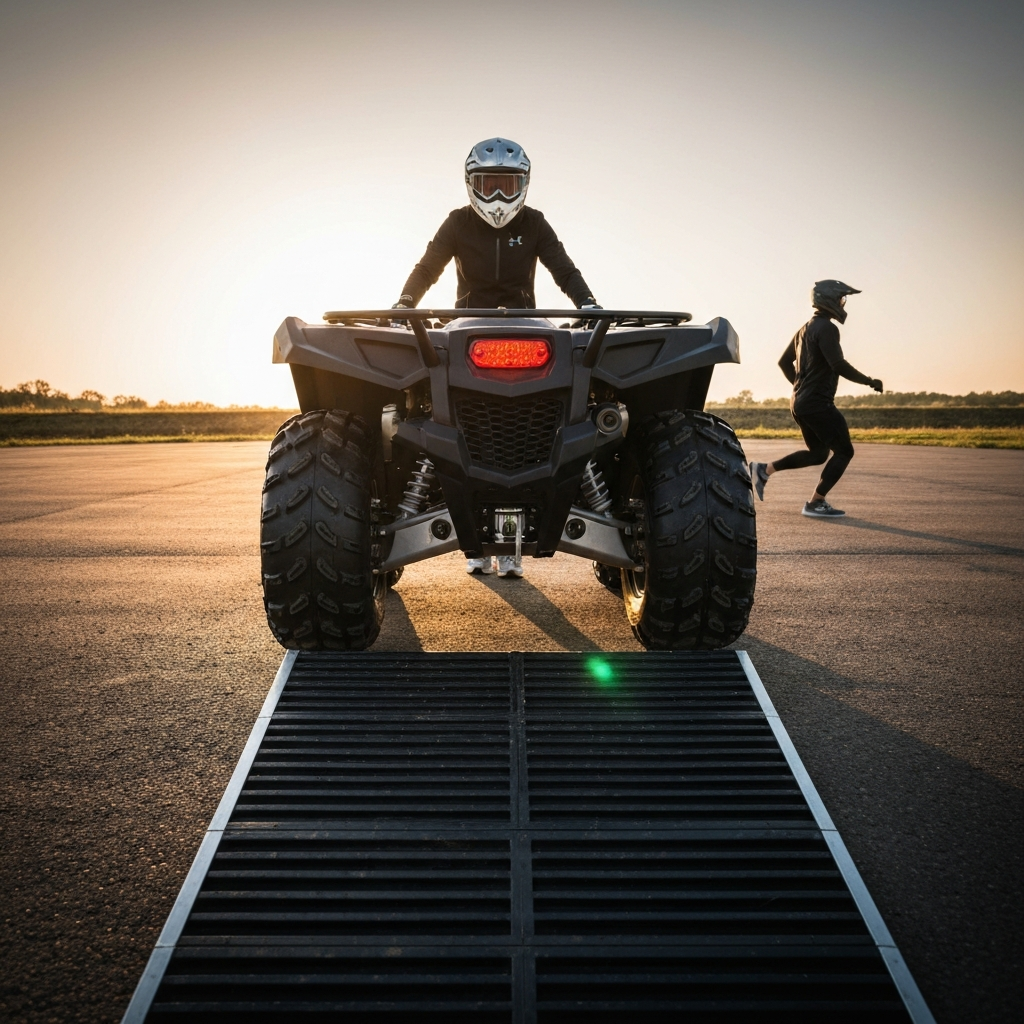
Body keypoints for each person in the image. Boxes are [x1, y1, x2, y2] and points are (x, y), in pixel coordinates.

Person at [393, 137, 600, 576]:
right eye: (488, 184)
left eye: (509, 184)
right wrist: (405, 301)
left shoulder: (537, 223)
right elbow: (428, 265)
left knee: (528, 425)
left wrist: (589, 304)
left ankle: (510, 550)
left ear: (524, 183)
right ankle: (476, 550)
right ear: (471, 184)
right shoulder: (457, 223)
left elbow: (564, 269)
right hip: (464, 328)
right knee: (460, 424)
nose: (499, 196)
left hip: (530, 326)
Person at [748, 280, 883, 518]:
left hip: (800, 403)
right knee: (844, 451)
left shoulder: (805, 329)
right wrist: (869, 381)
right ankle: (815, 502)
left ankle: (763, 470)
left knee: (819, 454)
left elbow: (783, 362)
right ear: (829, 300)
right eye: (841, 298)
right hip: (817, 404)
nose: (843, 303)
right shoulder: (827, 329)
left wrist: (801, 387)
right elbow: (838, 364)